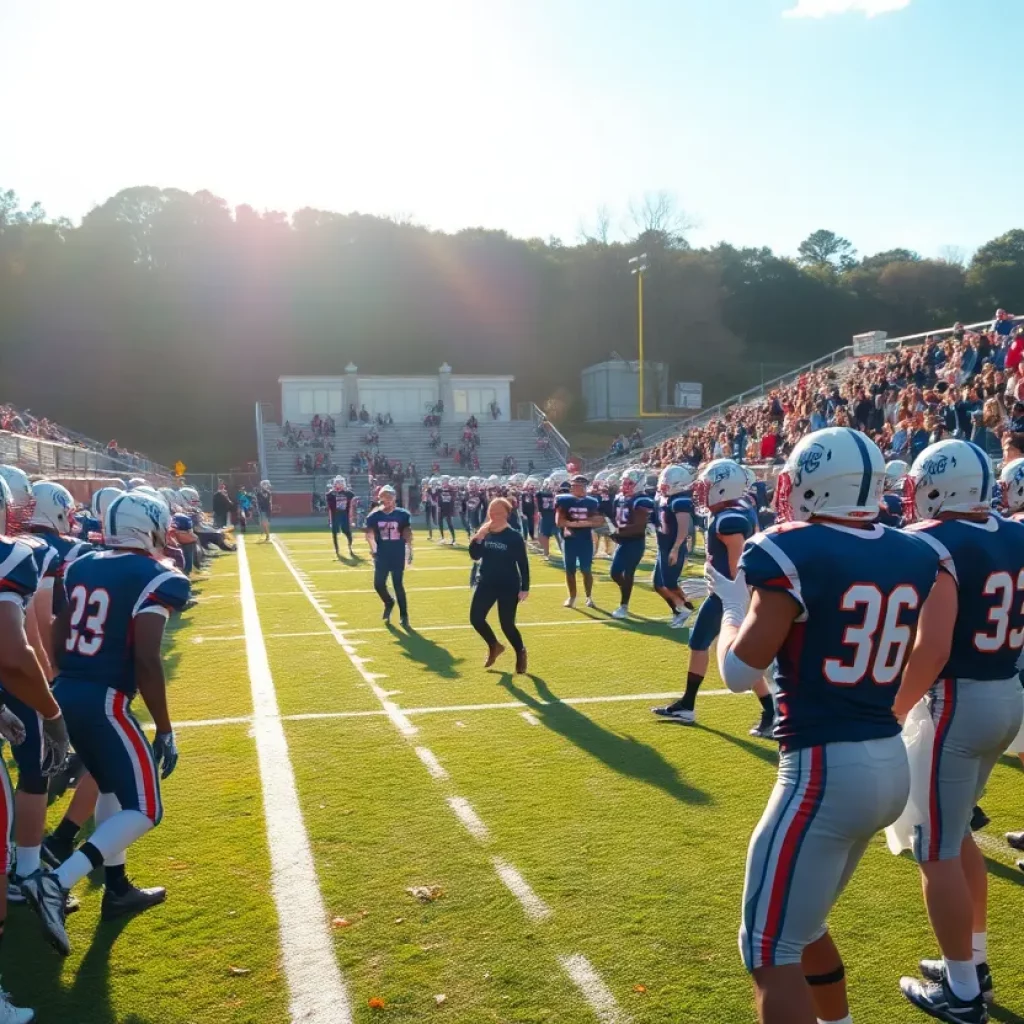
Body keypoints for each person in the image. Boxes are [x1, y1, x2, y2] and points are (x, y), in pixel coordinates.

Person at [707, 426, 943, 1024]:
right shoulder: (915, 551)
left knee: (766, 948)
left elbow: (739, 673)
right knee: (802, 926)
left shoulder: (790, 548)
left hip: (822, 767)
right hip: (886, 759)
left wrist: (732, 610)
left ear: (812, 481)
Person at [20, 491, 189, 958]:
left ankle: (116, 888)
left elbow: (57, 625)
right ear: (150, 524)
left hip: (68, 690)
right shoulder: (157, 576)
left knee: (112, 791)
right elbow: (147, 661)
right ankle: (55, 882)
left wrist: (67, 680)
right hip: (105, 699)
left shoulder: (82, 563)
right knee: (147, 808)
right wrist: (165, 727)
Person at [891, 439, 1024, 1022]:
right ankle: (972, 961)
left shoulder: (933, 542)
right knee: (960, 833)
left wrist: (893, 709)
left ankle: (964, 993)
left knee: (935, 849)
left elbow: (933, 645)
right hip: (1008, 694)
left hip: (957, 705)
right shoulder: (1016, 532)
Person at [0, 475, 71, 1024]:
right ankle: (25, 873)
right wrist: (50, 710)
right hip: (25, 687)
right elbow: (19, 646)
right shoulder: (17, 557)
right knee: (33, 770)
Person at [653, 459, 757, 725]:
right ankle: (687, 705)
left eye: (707, 486)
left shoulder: (729, 519)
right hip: (722, 593)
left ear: (723, 488)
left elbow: (739, 567)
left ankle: (770, 711)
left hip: (730, 596)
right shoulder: (730, 511)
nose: (700, 492)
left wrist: (723, 586)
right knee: (700, 643)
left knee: (739, 654)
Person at [469, 498, 530, 673]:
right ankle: (494, 645)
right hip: (486, 582)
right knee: (476, 619)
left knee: (507, 624)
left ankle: (520, 652)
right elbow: (474, 555)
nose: (494, 515)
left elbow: (523, 563)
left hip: (508, 585)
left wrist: (525, 587)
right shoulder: (485, 532)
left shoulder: (514, 536)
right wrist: (479, 537)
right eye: (491, 512)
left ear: (507, 514)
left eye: (499, 512)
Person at [609, 467, 654, 619]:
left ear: (639, 484)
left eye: (630, 483)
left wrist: (619, 531)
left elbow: (639, 526)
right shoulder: (619, 498)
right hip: (622, 541)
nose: (625, 485)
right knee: (615, 573)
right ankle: (626, 590)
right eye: (624, 482)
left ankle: (624, 606)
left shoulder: (642, 500)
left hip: (635, 542)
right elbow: (617, 518)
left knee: (628, 573)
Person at [364, 486, 413, 627]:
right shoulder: (374, 516)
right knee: (378, 584)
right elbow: (370, 536)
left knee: (398, 584)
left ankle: (404, 615)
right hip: (382, 554)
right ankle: (389, 602)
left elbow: (407, 535)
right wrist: (373, 550)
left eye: (389, 498)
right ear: (380, 499)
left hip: (397, 553)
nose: (387, 501)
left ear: (394, 498)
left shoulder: (403, 515)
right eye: (384, 498)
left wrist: (409, 551)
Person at [653, 464, 695, 628]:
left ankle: (688, 610)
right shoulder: (666, 497)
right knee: (658, 585)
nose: (664, 485)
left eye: (668, 482)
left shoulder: (680, 500)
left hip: (672, 547)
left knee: (670, 584)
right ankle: (681, 610)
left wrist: (676, 548)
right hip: (663, 546)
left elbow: (683, 529)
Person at [555, 475, 603, 609]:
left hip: (585, 540)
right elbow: (559, 521)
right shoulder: (563, 500)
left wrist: (574, 524)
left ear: (585, 487)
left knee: (586, 569)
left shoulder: (592, 502)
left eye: (579, 485)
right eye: (574, 485)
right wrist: (583, 523)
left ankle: (589, 596)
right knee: (570, 570)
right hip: (570, 540)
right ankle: (572, 596)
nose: (576, 488)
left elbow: (599, 521)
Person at [326, 475, 356, 559]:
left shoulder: (349, 494)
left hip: (344, 514)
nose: (339, 484)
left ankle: (350, 547)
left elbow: (353, 504)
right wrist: (330, 520)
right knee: (335, 532)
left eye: (341, 482)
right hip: (336, 515)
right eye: (337, 482)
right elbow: (330, 507)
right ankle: (337, 550)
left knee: (347, 531)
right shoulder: (331, 494)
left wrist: (352, 518)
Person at [436, 476, 457, 545]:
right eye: (443, 481)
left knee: (449, 523)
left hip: (448, 508)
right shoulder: (439, 489)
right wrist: (438, 506)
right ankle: (442, 538)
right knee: (440, 523)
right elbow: (438, 498)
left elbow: (453, 497)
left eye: (445, 481)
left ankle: (453, 539)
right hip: (441, 508)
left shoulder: (451, 489)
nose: (444, 482)